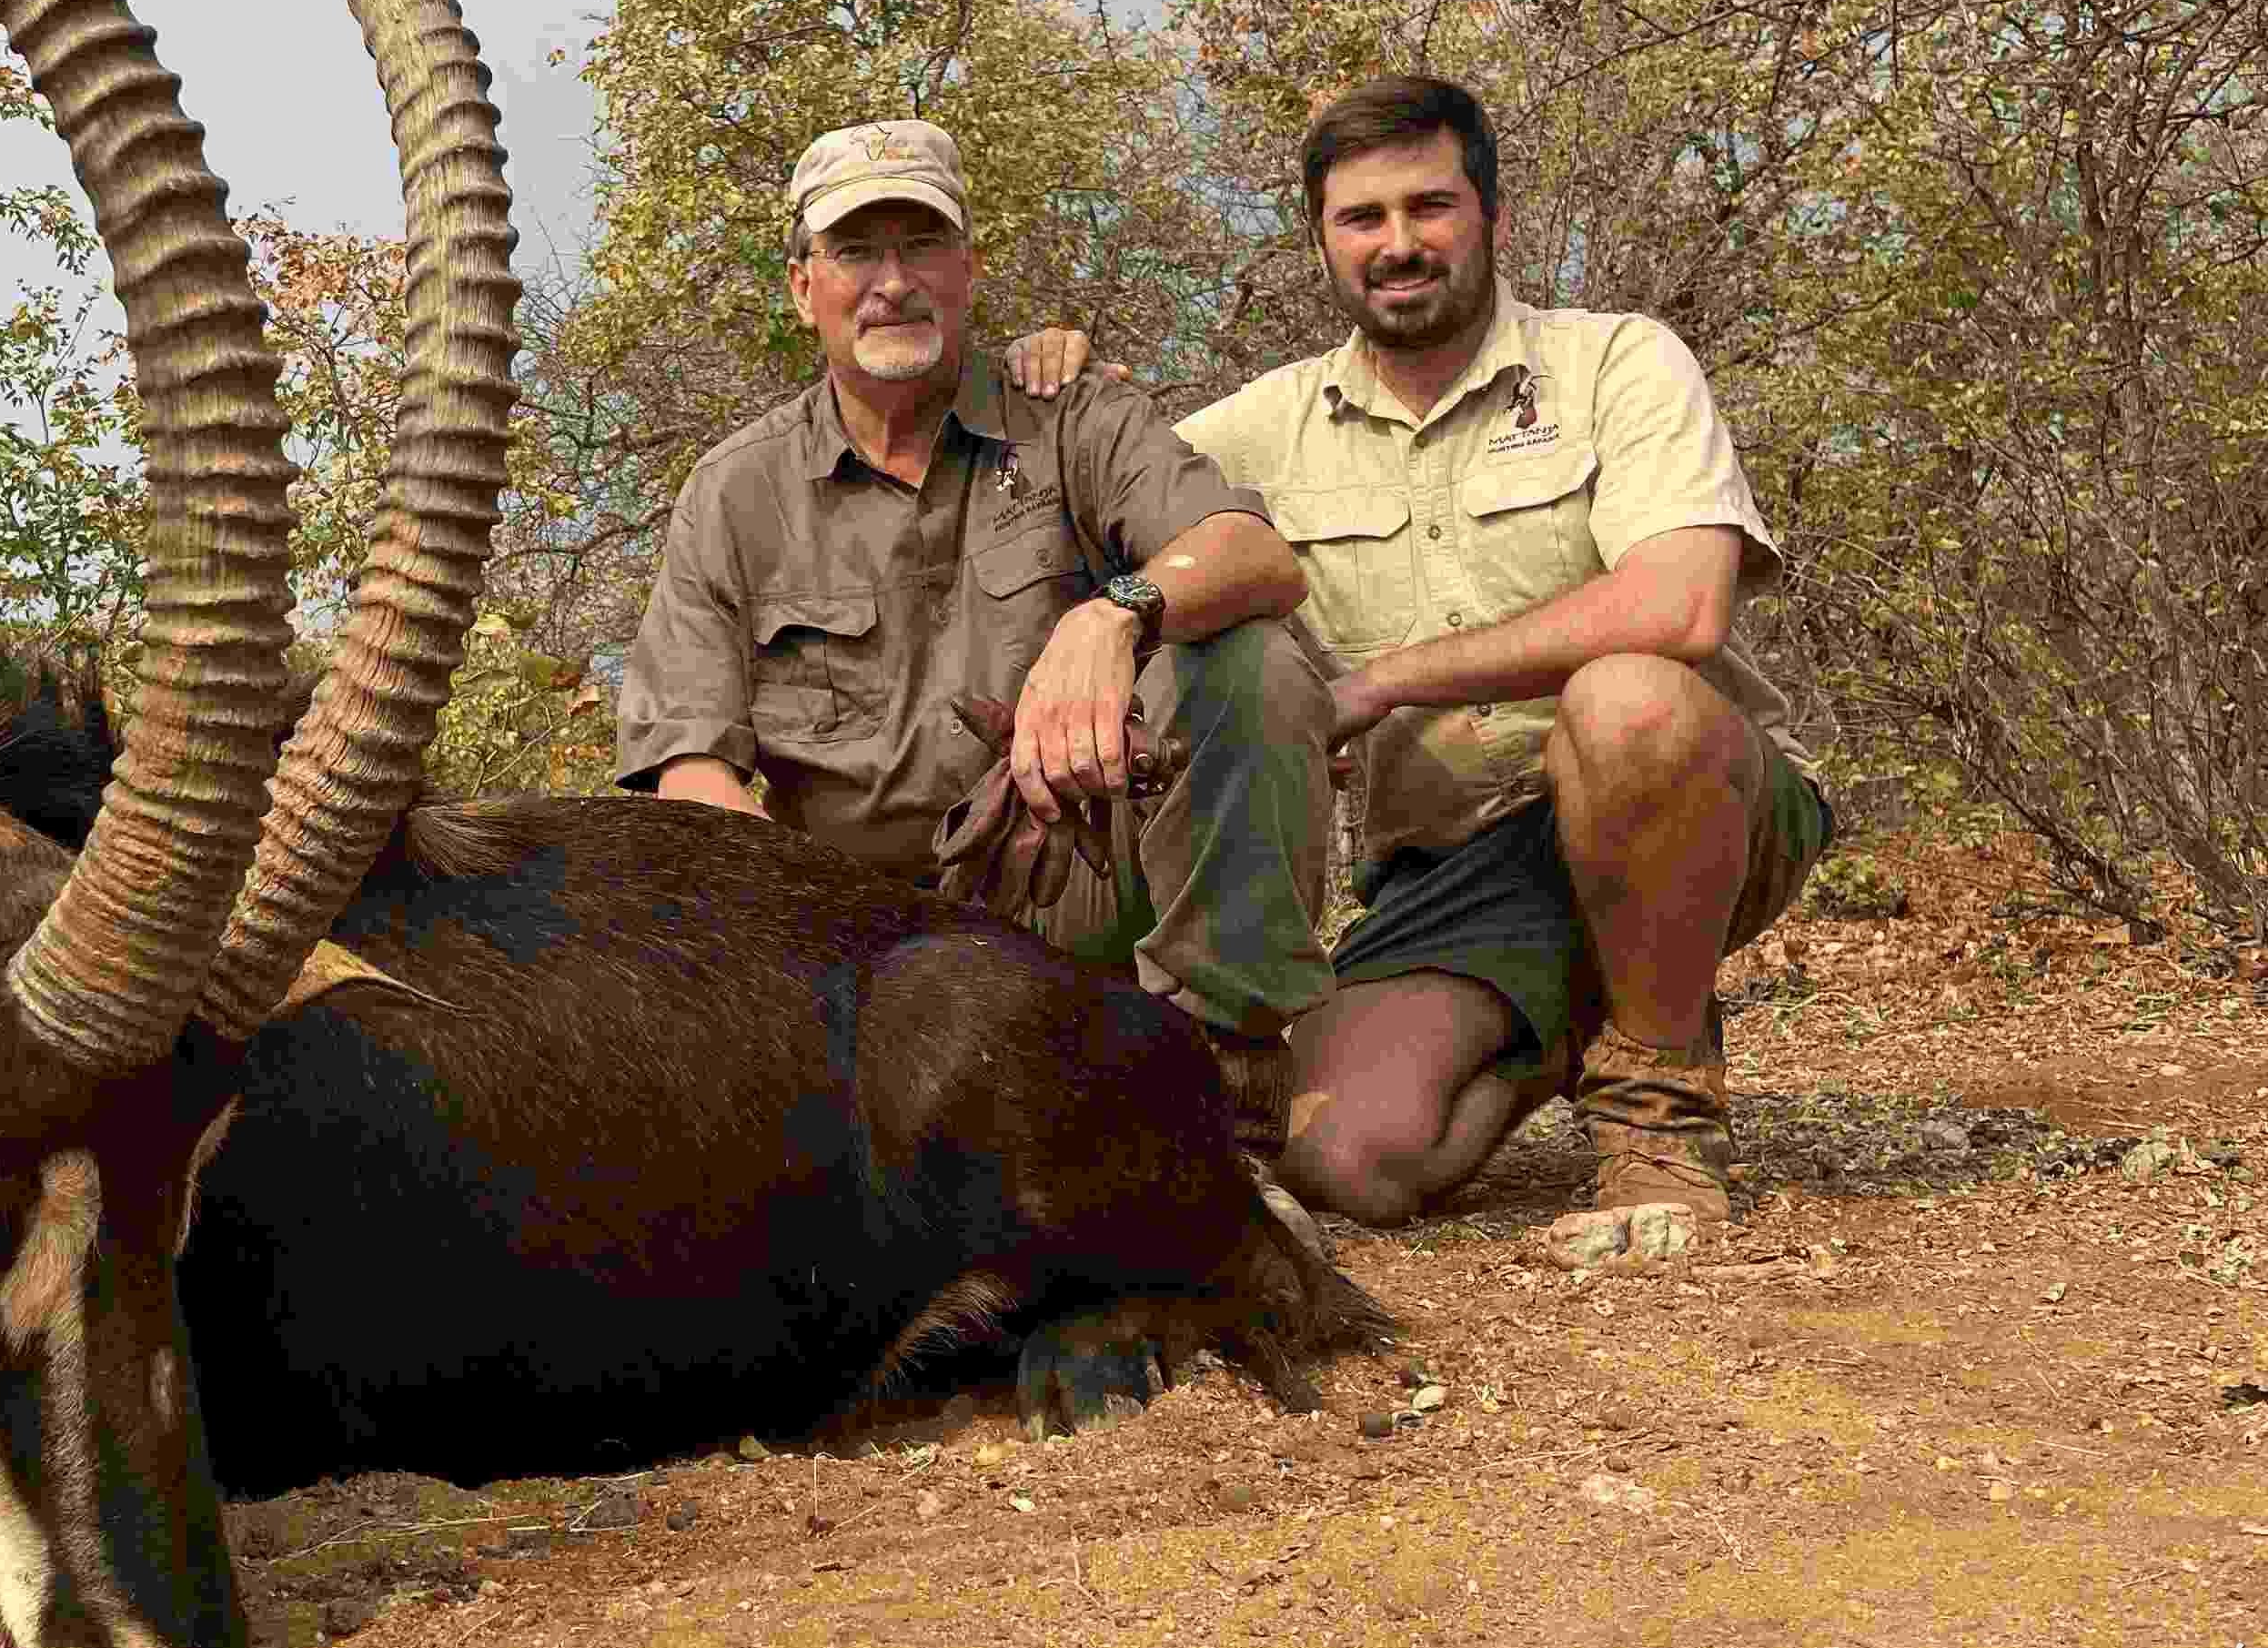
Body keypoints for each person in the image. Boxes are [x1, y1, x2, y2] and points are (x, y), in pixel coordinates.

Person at [1008, 77, 1830, 1260]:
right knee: (1347, 1160)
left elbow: (1684, 604)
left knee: (1629, 699)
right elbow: (1106, 502)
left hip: (1696, 797)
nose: (1398, 244)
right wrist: (1065, 384)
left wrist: (1389, 680)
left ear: (1491, 216)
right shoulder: (1255, 432)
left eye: (1429, 206)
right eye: (1362, 218)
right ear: (1322, 242)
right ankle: (1582, 1010)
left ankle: (1657, 1115)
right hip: (1459, 870)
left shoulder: (1618, 364)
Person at [614, 118, 1337, 1119]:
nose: (892, 280)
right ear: (802, 288)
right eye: (856, 249)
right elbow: (686, 767)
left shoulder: (1074, 416)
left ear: (968, 268)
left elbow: (1254, 554)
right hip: (859, 941)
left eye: (921, 244)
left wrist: (1108, 620)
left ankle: (1230, 1100)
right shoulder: (734, 491)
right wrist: (819, 937)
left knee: (1249, 665)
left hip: (1069, 887)